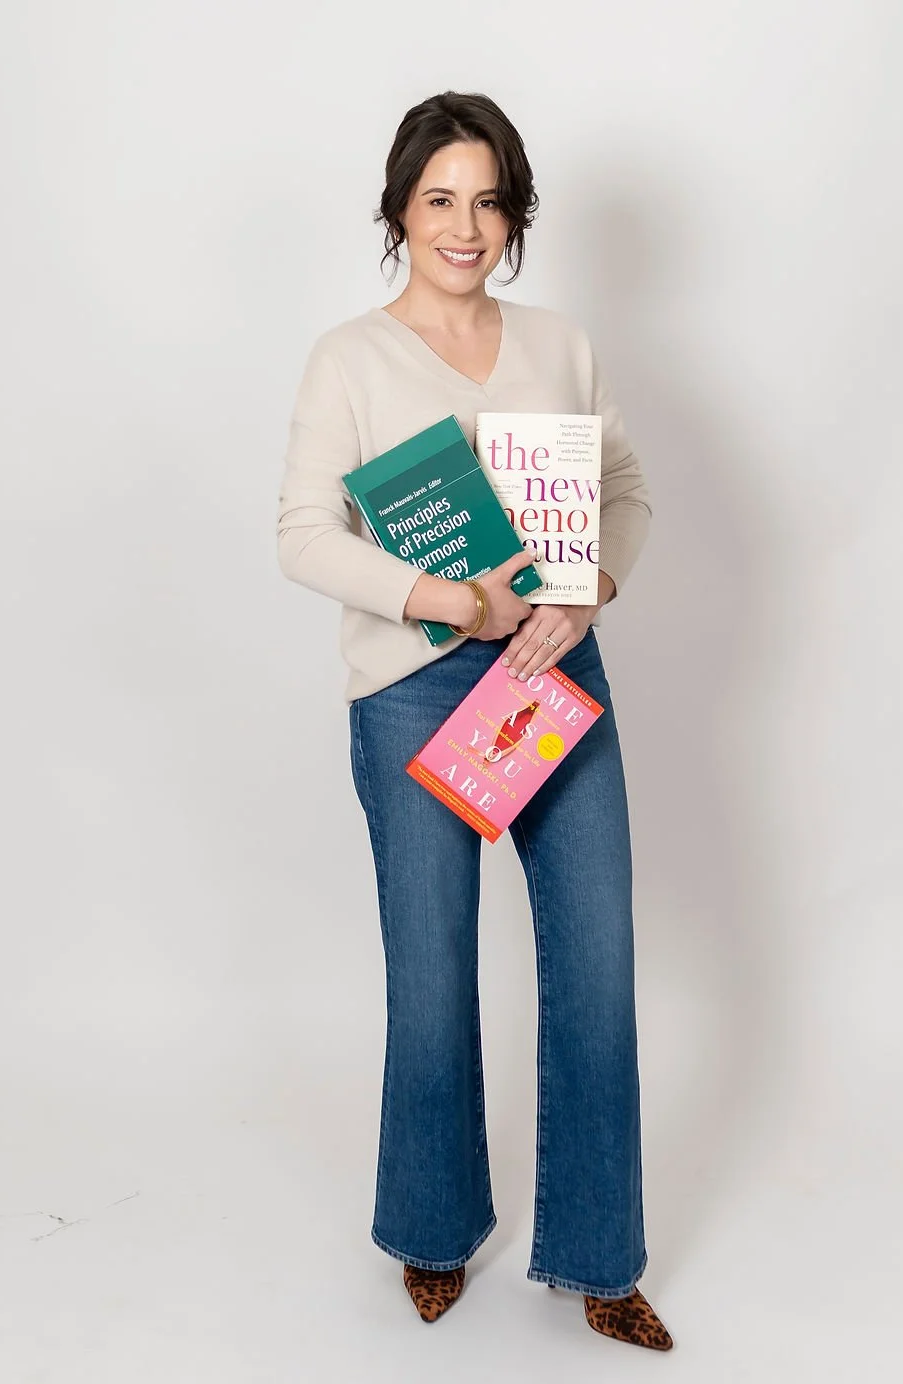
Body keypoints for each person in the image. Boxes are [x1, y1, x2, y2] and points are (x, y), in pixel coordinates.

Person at [276, 91, 673, 1353]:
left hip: (559, 676)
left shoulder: (560, 341)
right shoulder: (349, 357)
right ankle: (434, 1234)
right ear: (399, 209)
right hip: (413, 686)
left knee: (598, 965)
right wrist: (446, 597)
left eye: (488, 198)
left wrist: (591, 584)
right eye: (439, 197)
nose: (465, 223)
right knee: (434, 979)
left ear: (515, 214)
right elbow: (300, 535)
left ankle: (599, 1254)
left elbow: (621, 490)